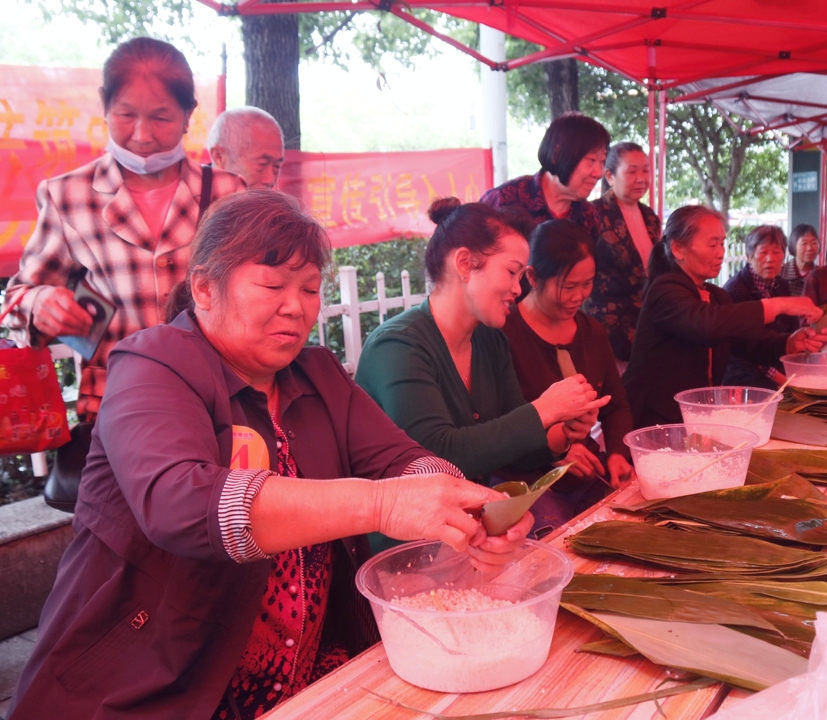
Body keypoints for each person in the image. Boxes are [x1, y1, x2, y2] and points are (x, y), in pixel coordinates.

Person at [7, 191, 531, 720]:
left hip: (301, 684)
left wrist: (471, 508)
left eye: (309, 289)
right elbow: (181, 504)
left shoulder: (317, 374)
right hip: (147, 686)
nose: (296, 305)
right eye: (273, 284)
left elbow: (405, 461)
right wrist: (380, 505)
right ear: (205, 288)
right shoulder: (153, 362)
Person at [0, 37, 244, 421]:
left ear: (188, 114)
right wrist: (40, 304)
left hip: (218, 401)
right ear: (104, 104)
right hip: (116, 407)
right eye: (126, 115)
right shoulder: (68, 196)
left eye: (161, 118)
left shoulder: (227, 192)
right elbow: (17, 299)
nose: (142, 135)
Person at [356, 198, 609, 484]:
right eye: (511, 272)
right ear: (465, 263)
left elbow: (517, 450)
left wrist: (564, 431)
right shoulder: (397, 346)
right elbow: (438, 456)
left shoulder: (491, 341)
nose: (517, 288)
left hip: (466, 518)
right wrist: (544, 409)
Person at [622, 206, 827, 428]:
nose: (721, 252)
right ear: (678, 249)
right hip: (654, 419)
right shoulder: (664, 290)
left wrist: (789, 343)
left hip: (696, 415)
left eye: (722, 243)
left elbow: (746, 342)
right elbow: (706, 323)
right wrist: (777, 305)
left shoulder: (716, 295)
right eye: (712, 244)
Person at [502, 219, 636, 526]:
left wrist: (616, 453)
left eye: (586, 284)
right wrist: (556, 450)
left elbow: (615, 406)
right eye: (568, 286)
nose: (578, 297)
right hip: (528, 480)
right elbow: (499, 424)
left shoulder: (593, 333)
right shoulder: (504, 333)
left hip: (587, 473)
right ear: (533, 277)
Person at [584, 141, 662, 364]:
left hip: (646, 324)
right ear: (609, 175)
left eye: (646, 170)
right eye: (632, 171)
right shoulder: (594, 213)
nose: (641, 178)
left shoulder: (650, 217)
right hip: (606, 325)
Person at [479, 112, 608, 239]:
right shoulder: (504, 200)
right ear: (557, 154)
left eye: (602, 161)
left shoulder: (589, 217)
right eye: (591, 160)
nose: (599, 173)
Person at [722, 225, 799, 389]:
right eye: (763, 252)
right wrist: (784, 380)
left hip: (781, 371)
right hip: (744, 378)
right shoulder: (735, 290)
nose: (770, 259)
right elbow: (742, 351)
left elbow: (792, 331)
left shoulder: (782, 285)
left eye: (776, 252)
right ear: (749, 256)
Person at [208, 106, 286, 190]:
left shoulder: (274, 202)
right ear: (219, 157)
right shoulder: (195, 198)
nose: (270, 180)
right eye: (261, 164)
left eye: (276, 166)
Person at [780, 223, 820, 296]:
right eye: (804, 243)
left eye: (814, 243)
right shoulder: (780, 272)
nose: (810, 248)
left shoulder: (822, 275)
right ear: (793, 245)